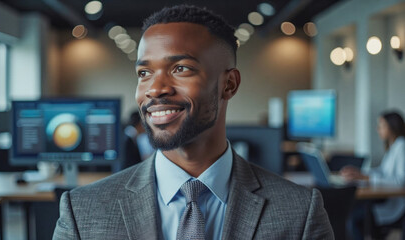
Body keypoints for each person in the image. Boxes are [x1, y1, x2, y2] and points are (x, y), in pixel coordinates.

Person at [53, 5, 334, 239]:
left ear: (229, 84)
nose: (155, 88)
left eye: (181, 68)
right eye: (144, 72)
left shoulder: (299, 213)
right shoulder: (82, 212)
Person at [341, 111, 405, 239]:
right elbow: (382, 171)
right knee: (353, 213)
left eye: (381, 126)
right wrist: (360, 173)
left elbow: (400, 181)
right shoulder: (393, 147)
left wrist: (367, 178)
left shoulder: (402, 146)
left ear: (392, 127)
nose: (378, 129)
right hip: (385, 199)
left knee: (353, 219)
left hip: (396, 204)